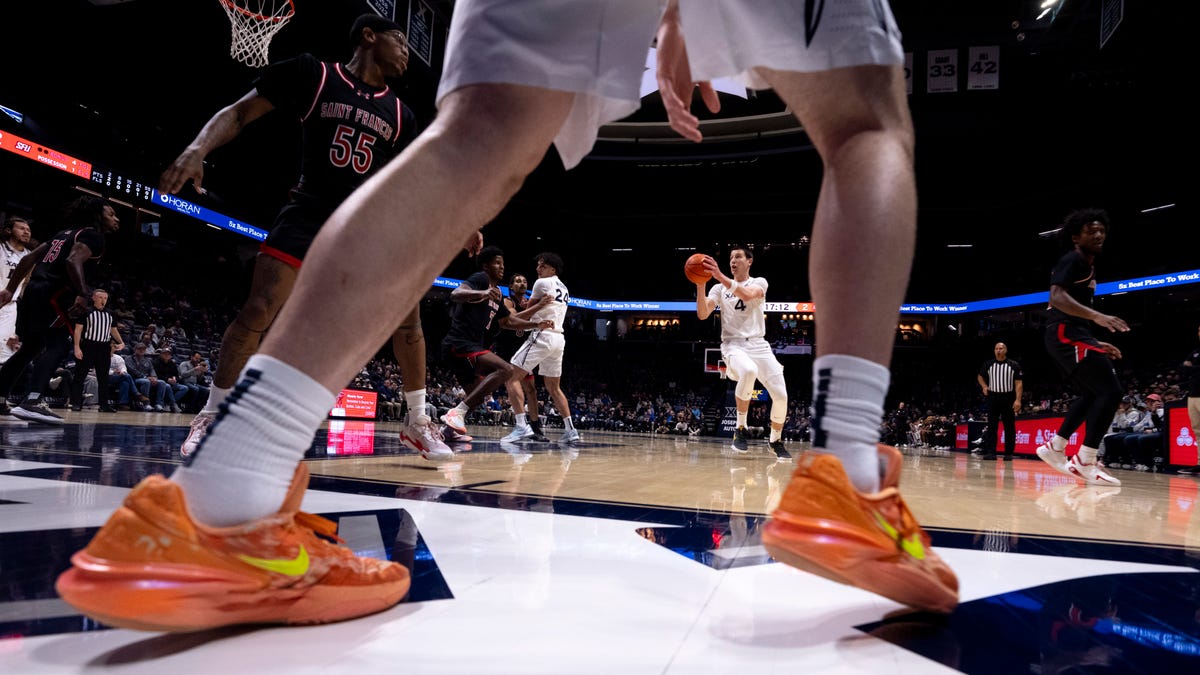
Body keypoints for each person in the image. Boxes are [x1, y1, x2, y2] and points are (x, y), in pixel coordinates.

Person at [57, 1, 959, 632]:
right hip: (653, 334)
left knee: (478, 137)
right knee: (865, 122)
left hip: (647, 329)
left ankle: (220, 496)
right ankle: (845, 469)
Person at [164, 13, 419, 456]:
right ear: (368, 35)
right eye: (400, 40)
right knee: (259, 310)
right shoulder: (314, 73)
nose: (407, 52)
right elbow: (241, 111)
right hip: (308, 212)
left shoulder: (402, 114)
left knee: (409, 320)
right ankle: (213, 413)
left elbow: (417, 178)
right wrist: (197, 147)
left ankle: (419, 421)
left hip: (365, 226)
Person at [0, 196, 120, 424]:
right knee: (59, 343)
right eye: (111, 213)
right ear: (97, 216)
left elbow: (29, 259)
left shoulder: (63, 234)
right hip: (53, 294)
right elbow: (72, 261)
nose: (116, 218)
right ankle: (34, 400)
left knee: (31, 348)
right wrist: (84, 294)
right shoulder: (93, 236)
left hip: (32, 292)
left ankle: (0, 396)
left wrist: (9, 289)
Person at [1034, 208, 1128, 487]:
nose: (1098, 235)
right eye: (1091, 231)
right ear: (1076, 237)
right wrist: (1098, 317)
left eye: (1101, 230)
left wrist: (1095, 341)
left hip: (1071, 332)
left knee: (1092, 392)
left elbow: (1069, 308)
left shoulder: (1087, 265)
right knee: (1111, 391)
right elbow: (1057, 297)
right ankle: (1085, 460)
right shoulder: (1072, 259)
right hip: (1065, 332)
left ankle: (1055, 447)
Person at [439, 246, 554, 436]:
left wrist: (536, 325)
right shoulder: (481, 279)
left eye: (503, 263)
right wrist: (482, 294)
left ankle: (448, 432)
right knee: (506, 370)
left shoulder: (498, 293)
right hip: (458, 343)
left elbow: (508, 321)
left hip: (470, 346)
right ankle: (456, 413)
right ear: (486, 266)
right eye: (497, 263)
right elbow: (456, 294)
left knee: (476, 397)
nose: (502, 267)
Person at [695, 247, 789, 458]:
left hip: (759, 345)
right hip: (733, 345)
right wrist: (700, 284)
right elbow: (702, 314)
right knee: (748, 371)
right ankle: (740, 428)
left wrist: (719, 275)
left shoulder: (759, 282)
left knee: (781, 396)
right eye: (730, 258)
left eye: (738, 257)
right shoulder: (718, 289)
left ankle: (775, 441)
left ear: (749, 262)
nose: (733, 261)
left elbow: (746, 294)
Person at [501, 252, 580, 445]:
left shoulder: (541, 283)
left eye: (542, 266)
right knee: (554, 387)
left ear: (552, 268)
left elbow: (524, 318)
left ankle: (521, 426)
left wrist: (533, 307)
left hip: (542, 334)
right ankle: (570, 430)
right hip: (559, 338)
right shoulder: (565, 288)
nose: (538, 269)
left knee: (511, 377)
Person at [495, 272, 549, 442]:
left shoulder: (529, 301)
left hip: (523, 349)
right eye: (517, 281)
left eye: (525, 281)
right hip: (506, 349)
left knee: (531, 390)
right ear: (511, 286)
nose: (522, 283)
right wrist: (537, 306)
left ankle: (535, 427)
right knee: (511, 383)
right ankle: (521, 424)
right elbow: (514, 318)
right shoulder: (507, 301)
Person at [70, 289, 124, 412]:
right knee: (80, 376)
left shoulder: (110, 313)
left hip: (104, 348)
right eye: (100, 298)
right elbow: (78, 330)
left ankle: (104, 405)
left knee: (103, 378)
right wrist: (76, 347)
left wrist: (121, 342)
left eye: (105, 298)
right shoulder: (86, 312)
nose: (103, 300)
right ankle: (76, 403)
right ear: (94, 298)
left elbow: (113, 330)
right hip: (88, 345)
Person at [976, 342, 1023, 460]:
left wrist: (1018, 400)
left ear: (1005, 350)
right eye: (996, 348)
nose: (998, 350)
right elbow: (980, 376)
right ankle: (991, 452)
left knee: (1009, 426)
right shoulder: (988, 364)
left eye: (1001, 348)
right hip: (993, 398)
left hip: (1008, 398)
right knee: (992, 426)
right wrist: (984, 386)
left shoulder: (1014, 365)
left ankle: (1008, 453)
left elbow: (1018, 383)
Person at [0, 216, 34, 366]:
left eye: (28, 230)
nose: (26, 232)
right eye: (22, 228)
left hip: (9, 307)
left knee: (5, 352)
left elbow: (25, 283)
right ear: (8, 230)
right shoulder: (1, 248)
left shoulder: (29, 256)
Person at [1181, 325, 1200, 476]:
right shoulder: (1195, 351)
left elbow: (1189, 368)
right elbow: (1183, 369)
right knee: (1197, 430)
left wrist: (1191, 368)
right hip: (1193, 394)